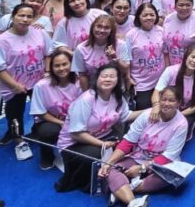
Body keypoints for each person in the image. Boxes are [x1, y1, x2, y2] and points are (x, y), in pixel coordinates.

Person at [55, 62, 140, 193]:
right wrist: (102, 144)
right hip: (73, 144)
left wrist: (151, 111)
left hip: (102, 136)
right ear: (97, 79)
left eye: (112, 76)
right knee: (98, 153)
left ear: (118, 80)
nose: (108, 79)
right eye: (104, 76)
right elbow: (77, 134)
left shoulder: (117, 97)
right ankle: (91, 183)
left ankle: (118, 178)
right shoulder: (86, 99)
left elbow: (126, 116)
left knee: (125, 146)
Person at [98, 85, 187, 207]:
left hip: (162, 163)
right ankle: (133, 202)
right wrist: (108, 163)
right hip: (138, 156)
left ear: (179, 103)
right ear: (159, 100)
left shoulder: (181, 124)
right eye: (164, 99)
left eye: (171, 100)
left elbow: (168, 156)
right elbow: (128, 141)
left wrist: (142, 168)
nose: (166, 103)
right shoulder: (146, 115)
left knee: (174, 176)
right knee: (110, 169)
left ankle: (121, 190)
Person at [0, 4, 55, 145]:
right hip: (14, 85)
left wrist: (48, 72)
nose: (25, 19)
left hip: (38, 81)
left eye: (29, 16)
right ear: (13, 17)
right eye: (21, 15)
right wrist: (15, 85)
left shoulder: (40, 33)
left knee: (42, 110)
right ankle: (17, 138)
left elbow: (48, 53)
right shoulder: (0, 41)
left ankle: (38, 132)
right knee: (15, 113)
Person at [30, 49, 82, 170]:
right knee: (47, 132)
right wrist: (62, 123)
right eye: (57, 65)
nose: (61, 68)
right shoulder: (41, 86)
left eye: (64, 64)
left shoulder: (79, 82)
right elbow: (40, 112)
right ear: (51, 68)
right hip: (51, 121)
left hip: (74, 119)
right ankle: (46, 154)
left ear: (71, 64)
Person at [151, 46, 195, 130]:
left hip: (184, 112)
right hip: (166, 107)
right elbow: (157, 92)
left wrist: (178, 115)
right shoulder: (170, 71)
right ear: (186, 57)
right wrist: (156, 106)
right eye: (193, 56)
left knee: (183, 125)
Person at [126, 3, 165, 110]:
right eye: (145, 15)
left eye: (152, 15)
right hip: (141, 83)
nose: (149, 18)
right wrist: (128, 78)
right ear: (138, 16)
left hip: (160, 80)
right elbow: (127, 59)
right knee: (145, 112)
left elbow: (165, 53)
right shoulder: (131, 35)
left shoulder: (161, 31)